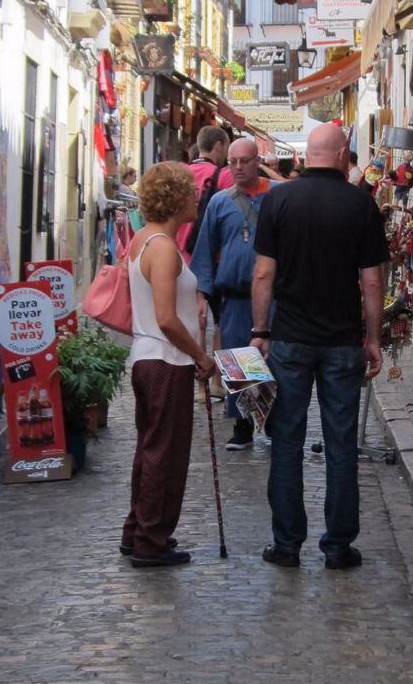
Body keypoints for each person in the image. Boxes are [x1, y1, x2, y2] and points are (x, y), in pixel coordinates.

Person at [250, 124, 390, 570]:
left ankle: (287, 545)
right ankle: (337, 547)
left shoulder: (278, 200)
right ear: (345, 154)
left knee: (287, 441)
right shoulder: (360, 204)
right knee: (341, 442)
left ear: (307, 155)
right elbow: (371, 280)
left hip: (289, 338)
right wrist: (373, 337)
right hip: (342, 341)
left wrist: (260, 330)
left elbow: (263, 275)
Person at [120, 162, 217, 568]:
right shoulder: (161, 247)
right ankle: (151, 540)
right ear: (177, 198)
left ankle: (138, 531)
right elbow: (165, 316)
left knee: (150, 448)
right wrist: (200, 355)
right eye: (192, 191)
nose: (198, 197)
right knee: (165, 453)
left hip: (151, 356)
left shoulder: (146, 239)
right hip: (165, 358)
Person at [191, 138, 277, 450]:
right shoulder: (219, 202)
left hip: (277, 297)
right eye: (232, 162)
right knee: (240, 363)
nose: (238, 167)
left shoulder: (279, 196)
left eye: (244, 161)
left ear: (258, 161)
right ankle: (243, 425)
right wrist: (202, 294)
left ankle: (274, 424)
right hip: (237, 297)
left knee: (274, 362)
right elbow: (204, 251)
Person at [176, 125, 233, 260]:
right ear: (219, 145)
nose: (226, 154)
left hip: (176, 256)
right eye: (227, 148)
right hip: (207, 258)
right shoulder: (224, 176)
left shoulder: (178, 173)